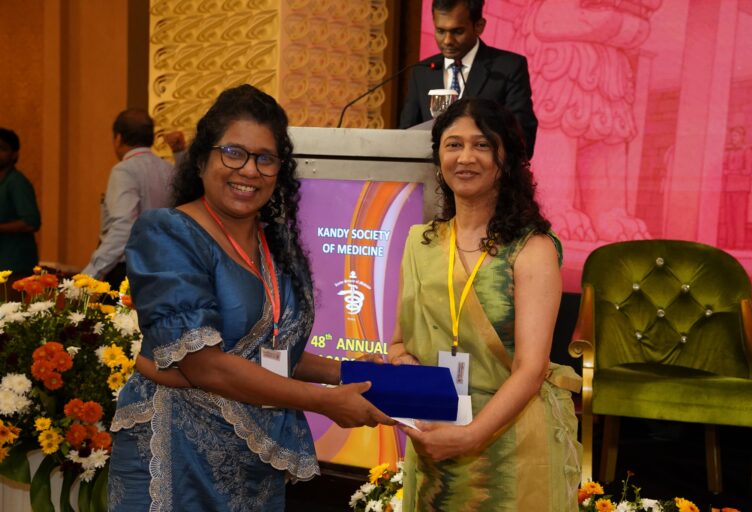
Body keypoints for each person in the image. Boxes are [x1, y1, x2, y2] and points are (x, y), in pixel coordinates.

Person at [107, 85, 393, 511]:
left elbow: (267, 349)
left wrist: (348, 372)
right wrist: (324, 401)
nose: (249, 170)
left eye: (265, 158)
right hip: (175, 453)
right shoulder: (167, 232)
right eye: (233, 153)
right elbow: (204, 363)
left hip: (252, 460)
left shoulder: (273, 244)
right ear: (201, 159)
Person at [389, 98, 581, 511]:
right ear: (439, 158)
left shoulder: (532, 248)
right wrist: (407, 373)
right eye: (453, 145)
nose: (465, 157)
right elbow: (399, 344)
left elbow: (531, 369)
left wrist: (471, 435)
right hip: (436, 433)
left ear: (505, 159)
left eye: (481, 145)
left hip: (511, 443)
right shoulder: (420, 243)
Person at [398, 0, 538, 158]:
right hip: (430, 170)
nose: (447, 40)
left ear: (479, 26)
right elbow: (405, 137)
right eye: (440, 31)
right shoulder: (422, 71)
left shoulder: (508, 68)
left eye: (457, 32)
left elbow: (523, 138)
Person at [82, 109, 174, 291]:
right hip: (163, 267)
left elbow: (124, 226)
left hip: (129, 270)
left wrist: (90, 274)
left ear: (118, 138)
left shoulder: (124, 170)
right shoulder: (170, 169)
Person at [0, 128, 40, 280]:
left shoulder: (17, 182)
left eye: (2, 149)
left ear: (15, 154)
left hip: (15, 267)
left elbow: (31, 222)